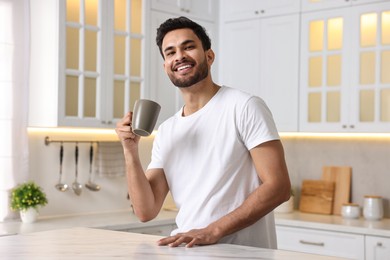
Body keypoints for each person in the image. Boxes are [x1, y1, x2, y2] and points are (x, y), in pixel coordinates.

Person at [115, 16, 291, 249]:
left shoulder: (244, 106)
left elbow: (279, 187)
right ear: (166, 66)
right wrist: (130, 150)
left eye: (188, 47)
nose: (179, 56)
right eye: (170, 52)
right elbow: (145, 211)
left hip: (242, 253)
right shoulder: (167, 130)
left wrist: (213, 231)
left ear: (209, 55)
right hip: (188, 251)